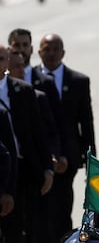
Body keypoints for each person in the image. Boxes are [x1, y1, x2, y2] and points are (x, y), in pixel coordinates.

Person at [36, 33, 96, 242]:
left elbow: (86, 123)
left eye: (55, 49)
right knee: (40, 212)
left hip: (68, 159)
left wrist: (91, 163)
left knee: (62, 209)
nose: (51, 54)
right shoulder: (29, 78)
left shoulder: (78, 81)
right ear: (39, 52)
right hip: (39, 157)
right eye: (47, 49)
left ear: (63, 52)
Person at [0, 44, 53, 243]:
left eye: (1, 58)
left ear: (7, 62)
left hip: (24, 168)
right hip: (2, 169)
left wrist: (47, 167)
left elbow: (38, 132)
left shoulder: (23, 90)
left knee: (24, 226)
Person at [8, 28, 68, 175]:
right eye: (17, 46)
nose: (21, 50)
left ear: (32, 48)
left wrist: (56, 155)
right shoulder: (3, 88)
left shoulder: (44, 84)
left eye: (25, 45)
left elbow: (55, 125)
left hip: (37, 162)